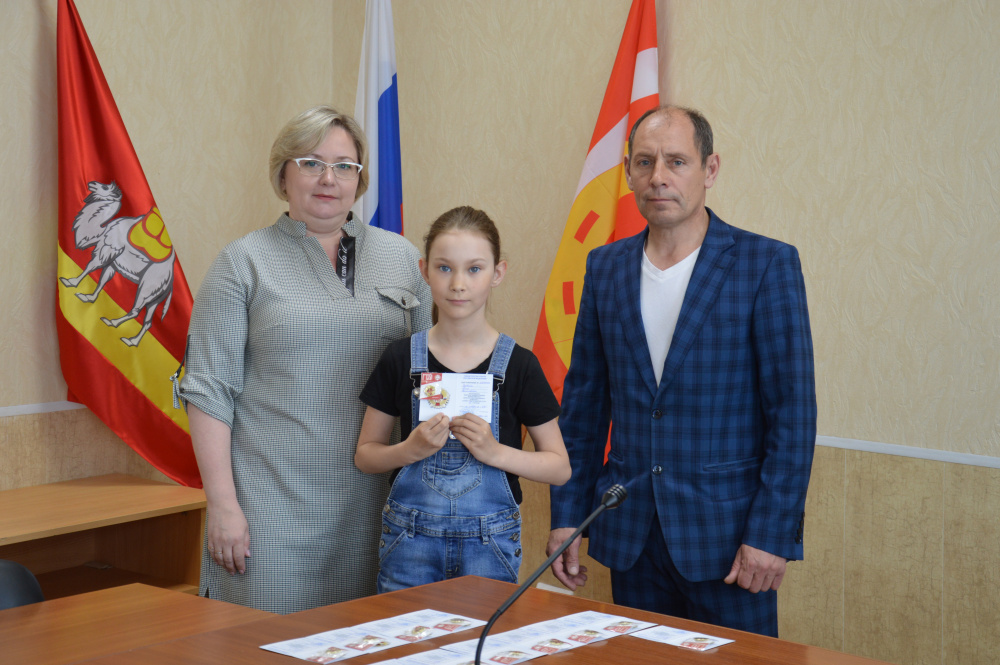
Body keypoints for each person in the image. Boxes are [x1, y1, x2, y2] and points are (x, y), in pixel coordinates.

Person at [547, 106, 816, 637]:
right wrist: (568, 516)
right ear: (629, 172)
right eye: (644, 162)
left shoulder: (765, 264)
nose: (659, 177)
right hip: (630, 536)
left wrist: (771, 534)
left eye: (676, 161)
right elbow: (583, 410)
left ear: (709, 169)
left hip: (731, 545)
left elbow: (793, 414)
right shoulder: (605, 267)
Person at [179, 106, 431, 613]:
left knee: (367, 638)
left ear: (359, 179)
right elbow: (208, 392)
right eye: (311, 163)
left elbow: (431, 370)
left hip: (377, 509)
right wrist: (222, 505)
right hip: (270, 512)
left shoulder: (402, 258)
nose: (328, 179)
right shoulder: (242, 263)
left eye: (344, 166)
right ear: (283, 175)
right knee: (265, 643)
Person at [356, 206, 571, 592]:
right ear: (424, 271)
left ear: (497, 273)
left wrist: (494, 451)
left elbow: (559, 468)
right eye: (444, 268)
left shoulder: (520, 364)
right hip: (410, 542)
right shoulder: (399, 358)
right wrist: (409, 449)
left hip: (490, 546)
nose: (458, 284)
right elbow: (366, 455)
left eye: (474, 269)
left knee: (481, 634)